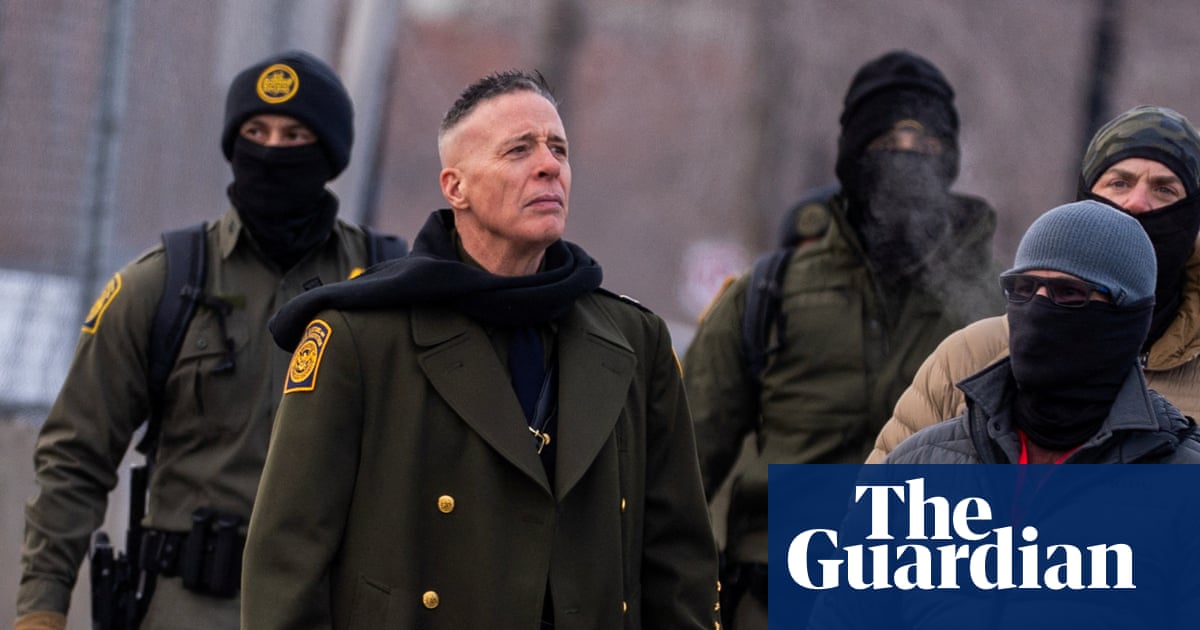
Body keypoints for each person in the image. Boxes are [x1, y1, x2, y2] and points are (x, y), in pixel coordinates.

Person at [239, 70, 720, 629]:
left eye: (558, 149)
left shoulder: (634, 339)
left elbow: (679, 561)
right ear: (456, 187)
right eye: (519, 149)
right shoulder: (361, 337)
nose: (549, 165)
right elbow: (288, 561)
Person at [15, 50, 404, 630]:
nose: (271, 150)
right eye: (256, 132)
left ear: (329, 153)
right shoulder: (165, 284)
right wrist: (40, 612)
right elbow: (75, 458)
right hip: (185, 607)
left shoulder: (382, 284)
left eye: (294, 135)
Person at [681, 50, 1002, 628]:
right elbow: (678, 469)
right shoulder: (770, 295)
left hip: (933, 601)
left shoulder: (999, 310)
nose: (907, 159)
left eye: (926, 143)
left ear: (951, 157)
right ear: (853, 152)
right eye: (887, 141)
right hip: (777, 600)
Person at [867, 104, 1200, 464]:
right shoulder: (970, 357)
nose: (1136, 203)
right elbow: (886, 489)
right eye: (1119, 183)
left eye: (1164, 189)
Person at [885, 199, 1200, 465]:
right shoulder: (919, 461)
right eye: (1023, 288)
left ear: (1128, 317)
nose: (1038, 308)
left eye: (1069, 292)